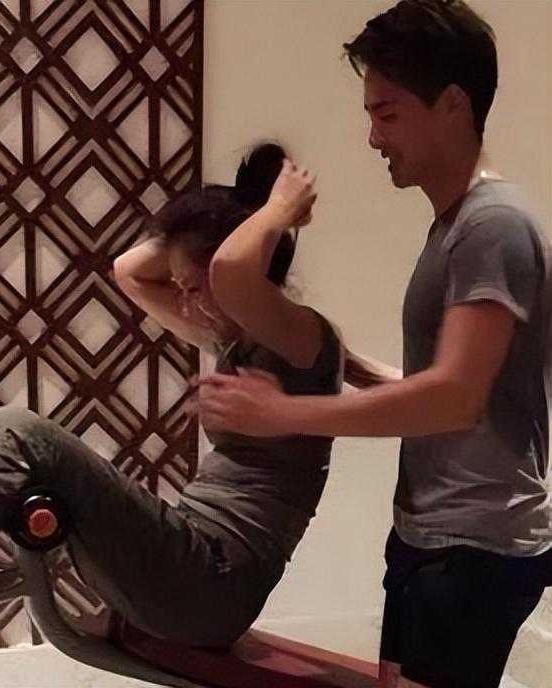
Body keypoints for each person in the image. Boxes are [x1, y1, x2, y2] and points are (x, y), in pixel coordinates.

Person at [0, 143, 378, 682]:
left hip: (212, 584)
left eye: (193, 286)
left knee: (28, 438)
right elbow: (131, 270)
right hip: (191, 563)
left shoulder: (299, 335)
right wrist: (215, 222)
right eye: (179, 286)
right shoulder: (236, 335)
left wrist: (277, 212)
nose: (185, 300)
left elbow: (230, 271)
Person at [195, 3, 552, 688]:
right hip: (437, 537)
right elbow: (455, 388)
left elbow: (454, 398)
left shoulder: (493, 226)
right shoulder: (457, 226)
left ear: (453, 104)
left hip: (473, 547)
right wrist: (348, 366)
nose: (371, 138)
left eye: (387, 115)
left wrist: (284, 414)